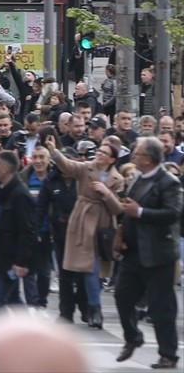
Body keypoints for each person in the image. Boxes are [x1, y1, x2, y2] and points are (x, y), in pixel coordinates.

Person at [107, 137, 181, 368]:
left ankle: (168, 353)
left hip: (158, 255)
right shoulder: (137, 179)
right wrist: (122, 236)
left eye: (137, 154)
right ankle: (133, 337)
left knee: (162, 307)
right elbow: (127, 209)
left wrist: (139, 212)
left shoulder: (168, 182)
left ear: (148, 159)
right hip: (133, 253)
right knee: (122, 296)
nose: (134, 158)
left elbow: (172, 213)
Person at [45, 133, 124, 329]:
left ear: (112, 159)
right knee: (90, 269)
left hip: (104, 225)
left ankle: (91, 308)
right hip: (83, 222)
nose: (99, 154)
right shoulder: (86, 168)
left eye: (104, 153)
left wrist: (106, 194)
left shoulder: (117, 178)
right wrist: (54, 151)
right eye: (99, 151)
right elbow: (68, 166)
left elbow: (118, 209)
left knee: (97, 272)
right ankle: (94, 309)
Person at [0, 150, 37, 313]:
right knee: (14, 299)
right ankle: (29, 334)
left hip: (11, 260)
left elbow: (27, 231)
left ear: (5, 169)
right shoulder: (0, 191)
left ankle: (10, 337)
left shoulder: (20, 195)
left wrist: (21, 262)